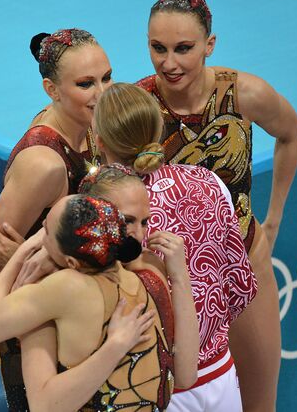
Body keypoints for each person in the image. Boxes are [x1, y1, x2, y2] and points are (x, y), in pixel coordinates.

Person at [135, 0, 297, 410]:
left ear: (210, 45)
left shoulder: (245, 94)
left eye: (183, 49)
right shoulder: (138, 107)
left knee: (259, 402)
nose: (168, 63)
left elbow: (290, 133)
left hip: (242, 260)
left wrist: (275, 219)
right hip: (170, 277)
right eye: (158, 48)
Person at [80, 82, 258, 411]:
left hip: (153, 388)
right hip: (221, 380)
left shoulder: (104, 210)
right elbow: (240, 284)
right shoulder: (211, 182)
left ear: (99, 140)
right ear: (158, 131)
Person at [0, 28, 113, 410]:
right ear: (51, 90)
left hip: (76, 320)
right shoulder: (44, 165)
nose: (102, 92)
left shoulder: (84, 124)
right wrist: (6, 341)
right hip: (40, 340)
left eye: (106, 77)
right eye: (86, 83)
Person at [0, 194, 198, 411]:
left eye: (45, 231)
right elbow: (186, 376)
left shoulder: (66, 287)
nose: (41, 235)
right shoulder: (149, 275)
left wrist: (23, 251)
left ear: (71, 261)